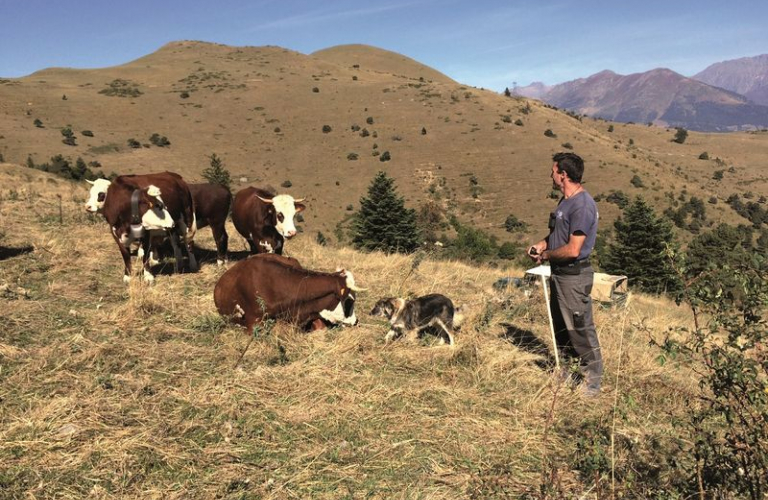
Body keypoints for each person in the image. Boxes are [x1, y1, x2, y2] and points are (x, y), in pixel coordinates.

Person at [527, 152, 602, 397]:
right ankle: (567, 371)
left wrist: (546, 257)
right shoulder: (565, 202)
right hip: (560, 275)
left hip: (574, 276)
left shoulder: (582, 205)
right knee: (561, 326)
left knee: (580, 328)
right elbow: (559, 237)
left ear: (564, 174)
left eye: (554, 170)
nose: (551, 174)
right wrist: (543, 245)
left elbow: (573, 249)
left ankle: (592, 383)